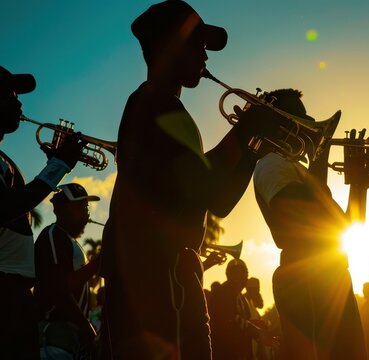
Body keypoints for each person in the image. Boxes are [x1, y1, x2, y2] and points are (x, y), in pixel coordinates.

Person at [99, 1, 280, 358]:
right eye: (198, 46)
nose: (206, 58)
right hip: (151, 280)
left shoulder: (173, 111)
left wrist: (253, 149)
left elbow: (220, 202)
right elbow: (198, 184)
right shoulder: (151, 103)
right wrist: (244, 131)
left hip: (178, 275)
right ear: (170, 47)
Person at [253, 88, 368, 360]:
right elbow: (297, 221)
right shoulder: (270, 164)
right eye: (299, 115)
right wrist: (320, 160)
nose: (310, 121)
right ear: (279, 123)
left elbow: (349, 227)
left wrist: (359, 184)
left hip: (331, 274)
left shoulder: (300, 171)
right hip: (304, 277)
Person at [1, 66, 85, 359]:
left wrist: (55, 164)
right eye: (9, 95)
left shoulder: (5, 161)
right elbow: (6, 207)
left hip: (16, 296)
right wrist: (58, 166)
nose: (19, 104)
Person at [34, 183, 102, 358]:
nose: (86, 211)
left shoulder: (69, 240)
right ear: (61, 209)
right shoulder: (53, 235)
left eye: (86, 206)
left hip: (68, 341)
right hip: (55, 337)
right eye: (80, 206)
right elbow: (59, 288)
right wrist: (87, 327)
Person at [210, 259, 259, 360]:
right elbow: (230, 318)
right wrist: (257, 330)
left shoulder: (242, 298)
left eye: (246, 274)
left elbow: (244, 321)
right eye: (243, 274)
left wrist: (258, 324)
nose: (246, 278)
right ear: (232, 275)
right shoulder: (221, 293)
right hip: (223, 353)